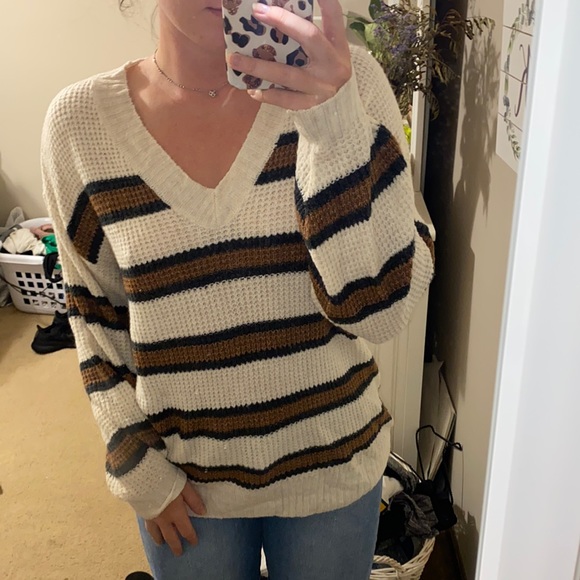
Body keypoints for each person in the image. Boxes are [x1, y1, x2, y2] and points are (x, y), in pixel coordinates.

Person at [41, 0, 435, 578]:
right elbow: (93, 315)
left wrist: (332, 126)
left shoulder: (347, 83)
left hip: (332, 465)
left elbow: (380, 314)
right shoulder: (81, 124)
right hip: (185, 485)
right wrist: (137, 467)